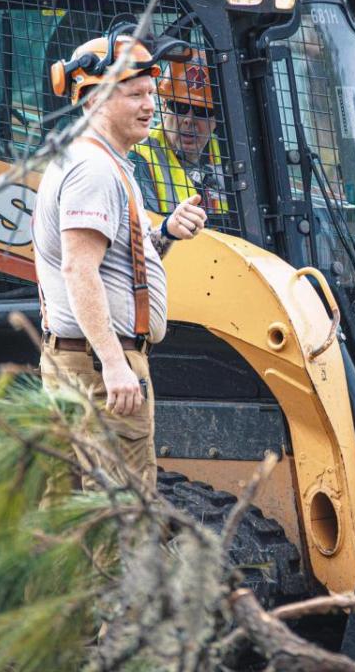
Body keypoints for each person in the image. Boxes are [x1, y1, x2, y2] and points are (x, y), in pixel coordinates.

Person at [34, 32, 208, 491]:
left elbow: (113, 260)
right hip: (98, 366)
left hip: (84, 362)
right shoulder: (93, 169)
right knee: (120, 513)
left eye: (151, 93)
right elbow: (79, 268)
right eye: (135, 94)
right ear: (93, 101)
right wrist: (114, 363)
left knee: (73, 514)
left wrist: (163, 234)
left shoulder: (103, 162)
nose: (149, 104)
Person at [131, 50, 230, 214]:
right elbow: (147, 233)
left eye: (201, 111)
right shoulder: (141, 159)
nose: (188, 120)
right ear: (163, 107)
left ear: (216, 118)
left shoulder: (229, 153)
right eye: (180, 107)